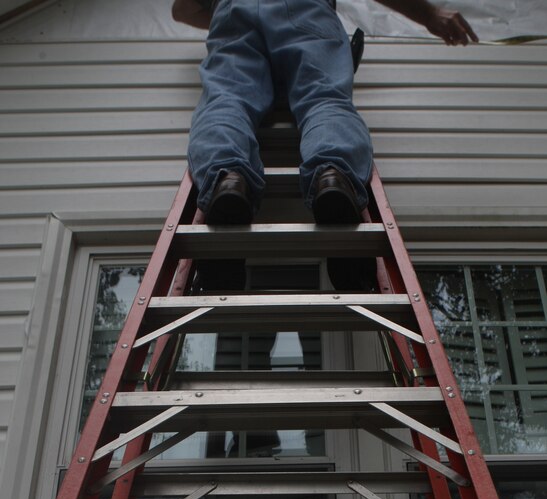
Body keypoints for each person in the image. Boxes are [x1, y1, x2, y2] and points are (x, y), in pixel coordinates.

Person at [172, 0, 477, 289]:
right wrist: (429, 14)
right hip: (306, 8)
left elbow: (182, 9)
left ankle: (228, 180)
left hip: (232, 9)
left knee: (228, 100)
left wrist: (244, 16)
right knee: (323, 97)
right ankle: (333, 176)